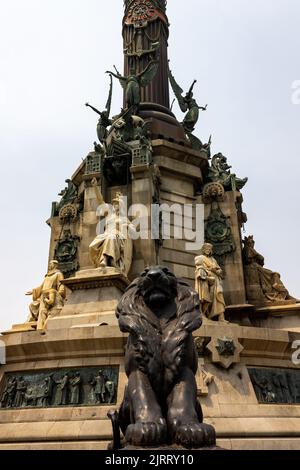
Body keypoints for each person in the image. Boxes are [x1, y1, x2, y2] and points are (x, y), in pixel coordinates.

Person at [89, 180, 133, 276]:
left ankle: (105, 260)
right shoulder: (109, 214)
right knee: (92, 245)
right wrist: (95, 187)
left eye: (117, 204)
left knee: (111, 238)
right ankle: (106, 259)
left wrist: (127, 227)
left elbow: (133, 231)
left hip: (118, 237)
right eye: (114, 204)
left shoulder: (124, 219)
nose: (114, 205)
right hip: (105, 235)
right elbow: (100, 201)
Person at [26, 260, 66, 330]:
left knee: (44, 311)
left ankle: (43, 327)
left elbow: (61, 284)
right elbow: (41, 287)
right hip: (43, 296)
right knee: (33, 305)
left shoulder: (58, 274)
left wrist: (59, 293)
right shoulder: (47, 276)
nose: (49, 265)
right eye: (49, 264)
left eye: (51, 264)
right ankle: (40, 326)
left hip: (52, 295)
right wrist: (33, 291)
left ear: (55, 265)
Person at [195, 243, 227, 322]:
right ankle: (203, 314)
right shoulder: (200, 258)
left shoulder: (213, 259)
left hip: (216, 281)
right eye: (206, 249)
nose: (208, 250)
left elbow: (219, 270)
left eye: (209, 249)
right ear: (203, 249)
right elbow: (199, 268)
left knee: (218, 296)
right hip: (206, 280)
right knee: (206, 297)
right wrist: (208, 273)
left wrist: (216, 270)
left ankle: (221, 317)